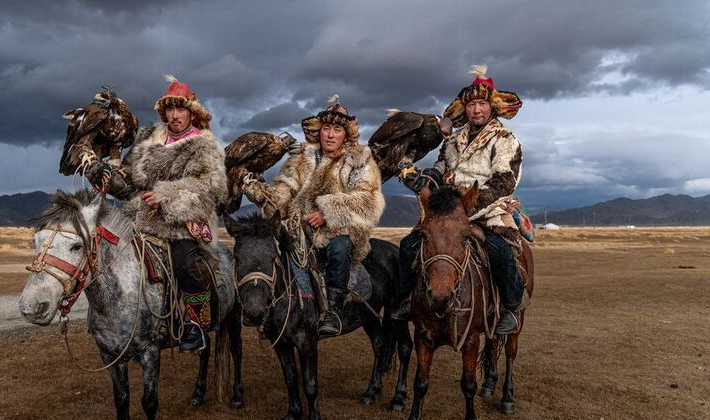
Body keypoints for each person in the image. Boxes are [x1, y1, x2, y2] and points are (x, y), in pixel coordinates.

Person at [85, 75, 227, 351]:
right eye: (170, 110)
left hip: (182, 224)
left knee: (184, 263)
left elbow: (211, 189)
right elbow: (128, 183)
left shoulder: (204, 147)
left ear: (192, 113)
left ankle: (197, 325)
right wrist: (105, 175)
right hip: (138, 220)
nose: (174, 115)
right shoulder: (147, 140)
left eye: (181, 109)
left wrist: (166, 197)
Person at [393, 65, 525, 334]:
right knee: (409, 245)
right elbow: (440, 169)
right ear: (464, 109)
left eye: (482, 104)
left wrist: (466, 207)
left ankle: (511, 307)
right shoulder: (453, 140)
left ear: (492, 107)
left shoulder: (505, 139)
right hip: (446, 213)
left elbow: (504, 181)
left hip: (486, 212)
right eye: (472, 104)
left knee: (499, 250)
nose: (476, 110)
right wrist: (421, 180)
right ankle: (407, 299)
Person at [242, 96, 385, 337]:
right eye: (326, 128)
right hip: (297, 227)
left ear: (346, 134)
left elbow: (368, 199)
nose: (330, 134)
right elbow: (285, 190)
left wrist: (328, 214)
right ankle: (271, 312)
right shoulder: (300, 159)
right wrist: (262, 194)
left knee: (339, 248)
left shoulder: (359, 160)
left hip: (339, 228)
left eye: (337, 129)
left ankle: (333, 311)